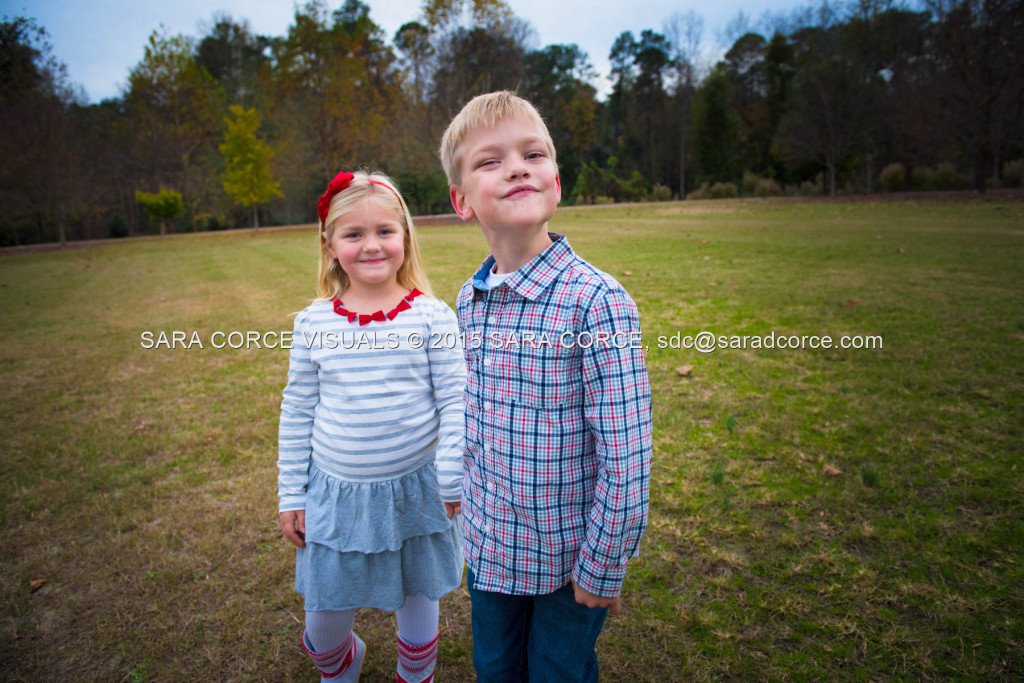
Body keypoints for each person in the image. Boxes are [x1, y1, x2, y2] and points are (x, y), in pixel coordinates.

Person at [439, 91, 653, 681]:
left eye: (533, 154)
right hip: (490, 547)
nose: (516, 167)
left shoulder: (597, 303)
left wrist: (603, 565)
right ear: (461, 201)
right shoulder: (469, 298)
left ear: (555, 183)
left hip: (568, 561)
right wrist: (460, 491)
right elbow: (473, 415)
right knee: (495, 668)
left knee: (556, 673)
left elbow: (628, 454)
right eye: (490, 161)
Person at [277, 169, 465, 683]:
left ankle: (415, 676)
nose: (371, 245)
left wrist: (450, 474)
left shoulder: (432, 317)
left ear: (405, 235)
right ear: (329, 243)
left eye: (385, 231)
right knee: (323, 627)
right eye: (353, 234)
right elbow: (297, 410)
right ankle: (341, 667)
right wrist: (290, 493)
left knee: (417, 597)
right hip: (336, 497)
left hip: (416, 492)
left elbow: (455, 400)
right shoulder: (314, 323)